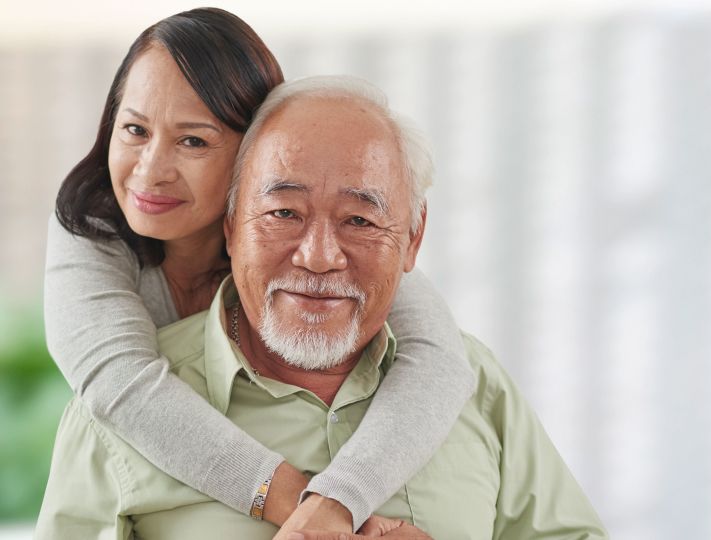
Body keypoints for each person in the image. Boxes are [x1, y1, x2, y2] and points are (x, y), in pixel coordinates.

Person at [36, 74, 608, 539]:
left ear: (412, 239)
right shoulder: (112, 418)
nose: (318, 257)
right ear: (231, 226)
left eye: (360, 220)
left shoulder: (474, 380)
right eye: (284, 212)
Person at [41, 8, 476, 534]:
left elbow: (440, 360)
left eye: (194, 141)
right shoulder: (88, 228)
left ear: (259, 153)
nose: (150, 170)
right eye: (134, 129)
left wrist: (341, 499)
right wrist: (313, 513)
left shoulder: (310, 244)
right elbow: (119, 383)